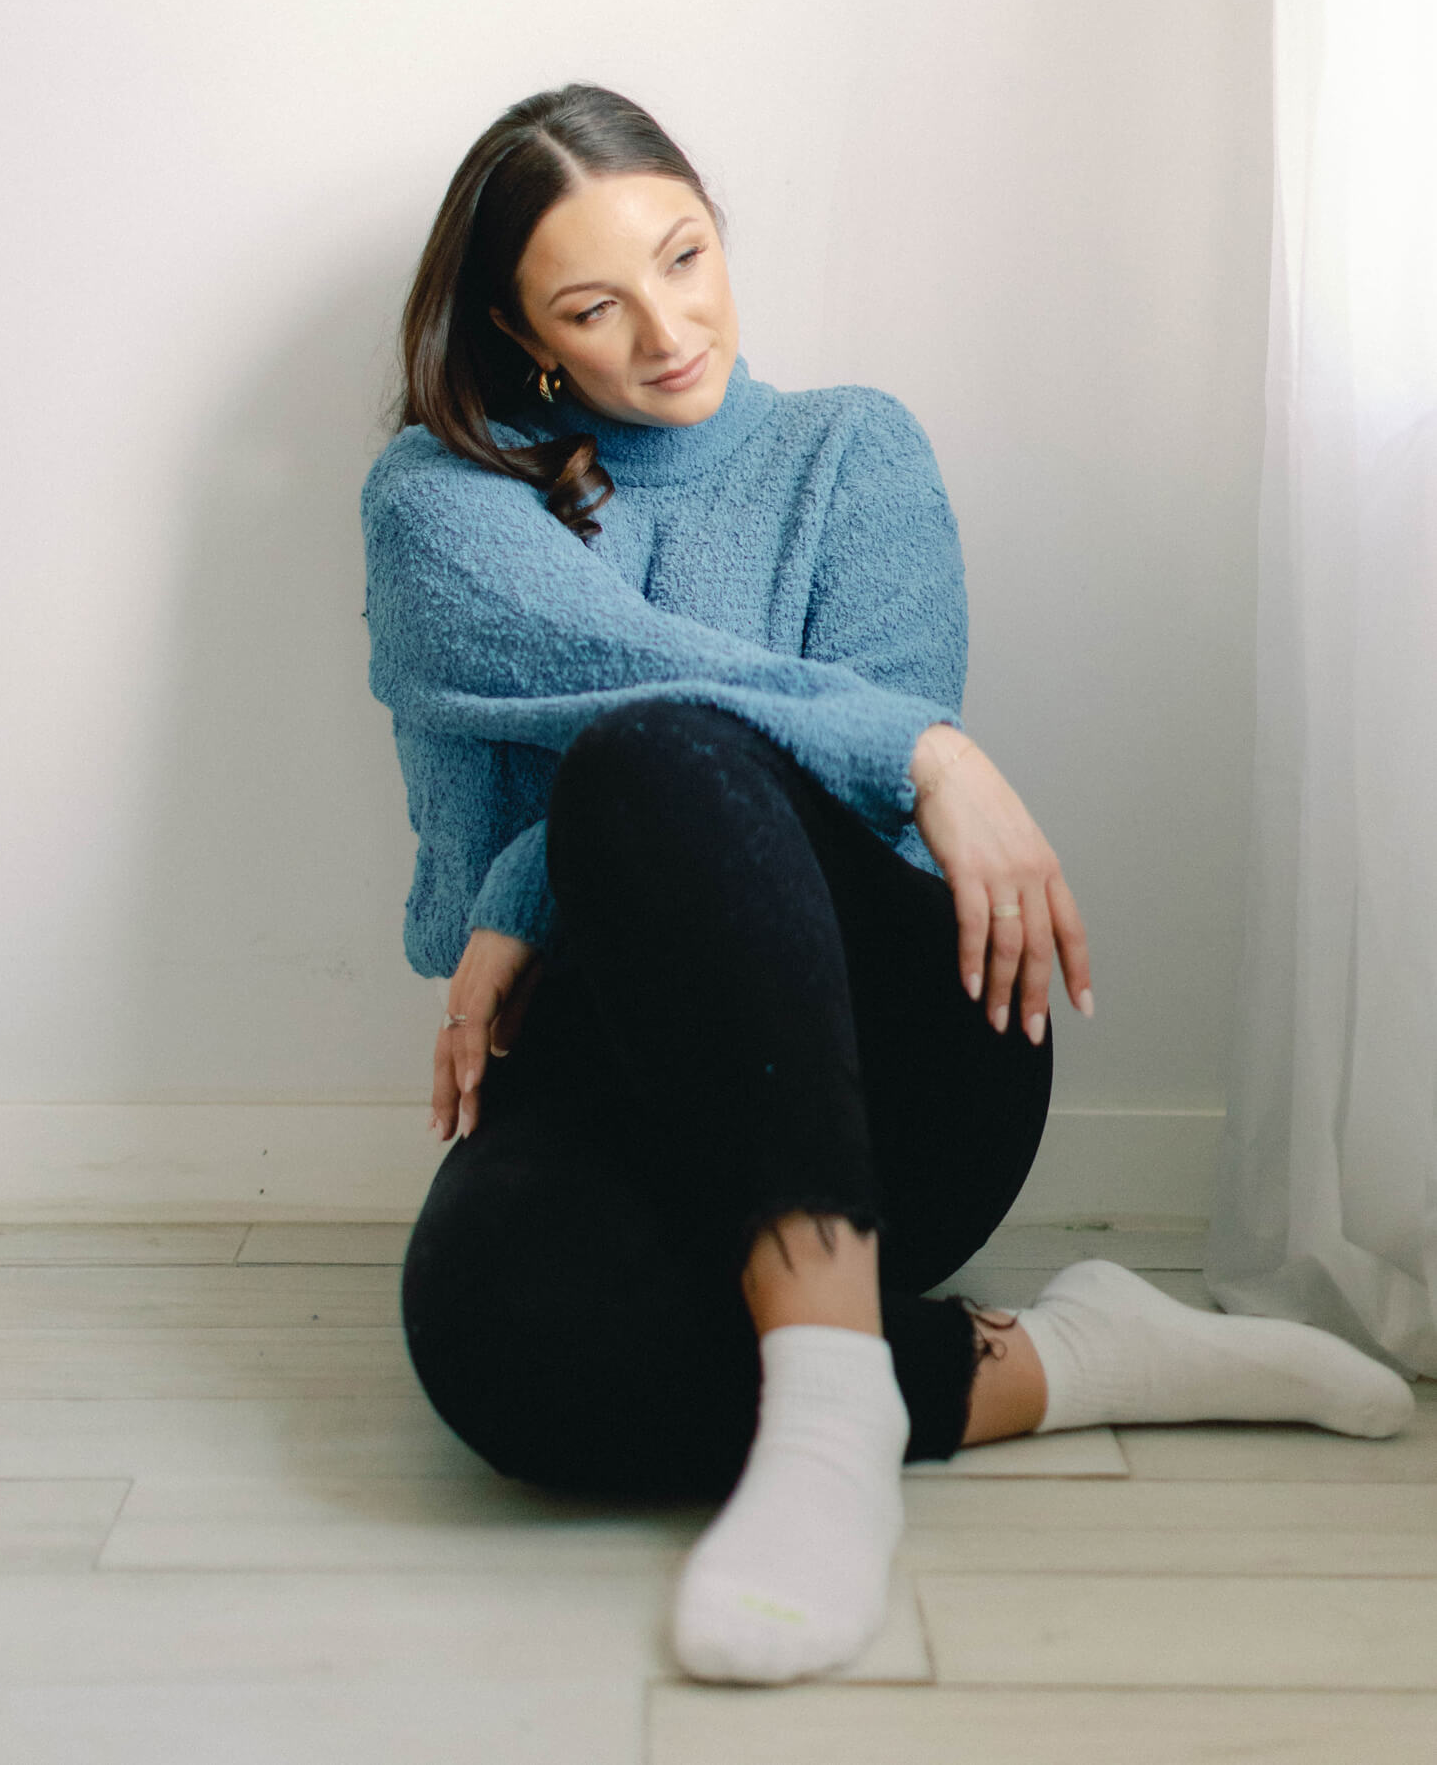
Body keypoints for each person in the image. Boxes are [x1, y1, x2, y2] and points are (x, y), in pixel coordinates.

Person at [360, 82, 1416, 1687]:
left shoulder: (848, 447)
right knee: (484, 1334)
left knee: (651, 760)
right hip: (627, 1087)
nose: (665, 330)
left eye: (687, 257)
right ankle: (1048, 1361)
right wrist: (924, 743)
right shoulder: (444, 506)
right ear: (522, 343)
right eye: (594, 305)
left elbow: (835, 820)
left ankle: (833, 1418)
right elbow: (511, 880)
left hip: (908, 1053)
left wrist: (876, 767)